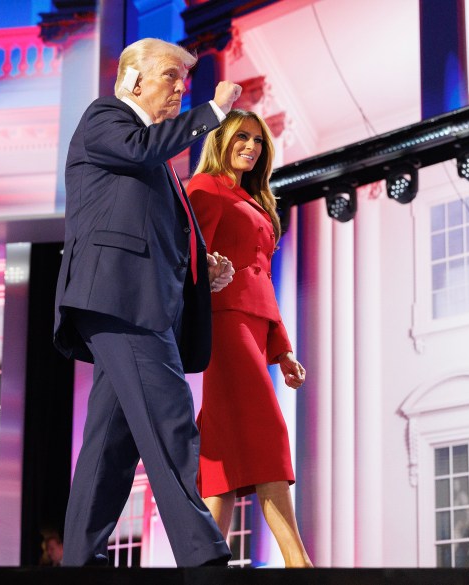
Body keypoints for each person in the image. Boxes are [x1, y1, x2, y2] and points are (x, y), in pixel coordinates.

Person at [52, 37, 242, 567]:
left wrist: (202, 265)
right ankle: (203, 554)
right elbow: (141, 150)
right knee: (171, 416)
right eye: (171, 78)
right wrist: (214, 111)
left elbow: (154, 228)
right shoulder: (105, 118)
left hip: (136, 300)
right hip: (120, 299)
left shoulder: (152, 155)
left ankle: (80, 560)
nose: (181, 89)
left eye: (185, 82)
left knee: (110, 447)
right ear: (135, 80)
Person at [187, 109, 312, 567]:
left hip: (256, 328)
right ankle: (298, 562)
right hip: (225, 322)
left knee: (223, 445)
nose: (251, 146)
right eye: (241, 136)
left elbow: (263, 278)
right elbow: (189, 264)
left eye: (257, 141)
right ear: (220, 139)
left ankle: (205, 565)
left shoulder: (254, 200)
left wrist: (284, 350)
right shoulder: (204, 190)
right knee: (267, 432)